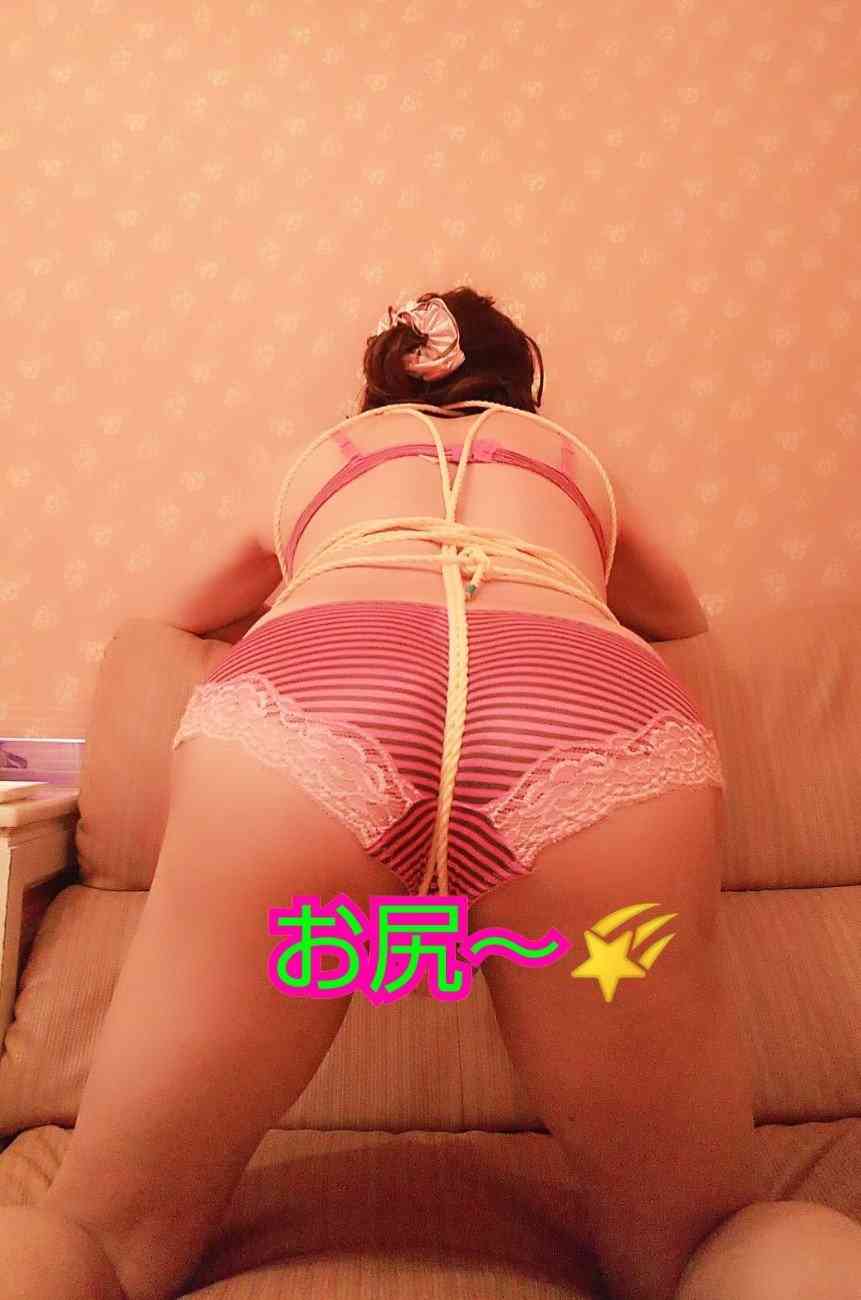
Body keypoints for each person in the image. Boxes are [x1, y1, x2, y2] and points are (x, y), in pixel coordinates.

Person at [3, 287, 859, 1300]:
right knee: (705, 1239)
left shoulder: (323, 457)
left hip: (321, 694)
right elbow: (679, 616)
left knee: (97, 1235)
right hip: (587, 707)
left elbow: (178, 614)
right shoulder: (572, 460)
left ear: (378, 383)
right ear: (520, 378)